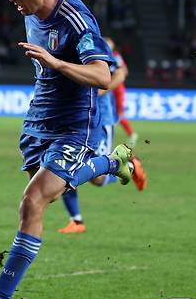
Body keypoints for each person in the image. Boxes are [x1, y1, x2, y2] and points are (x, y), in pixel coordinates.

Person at [0, 0, 135, 299]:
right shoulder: (33, 14)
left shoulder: (77, 20)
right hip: (38, 121)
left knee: (34, 200)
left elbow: (103, 76)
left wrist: (56, 63)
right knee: (46, 197)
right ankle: (111, 163)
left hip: (75, 125)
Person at [58, 40, 147, 234]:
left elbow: (120, 74)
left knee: (97, 179)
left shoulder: (98, 49)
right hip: (73, 117)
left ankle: (131, 166)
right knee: (62, 166)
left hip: (100, 119)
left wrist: (98, 91)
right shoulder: (70, 48)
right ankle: (77, 221)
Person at [106, 37, 139, 148]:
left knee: (118, 113)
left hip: (116, 88)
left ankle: (132, 134)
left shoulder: (115, 56)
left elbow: (124, 71)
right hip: (106, 87)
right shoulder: (102, 55)